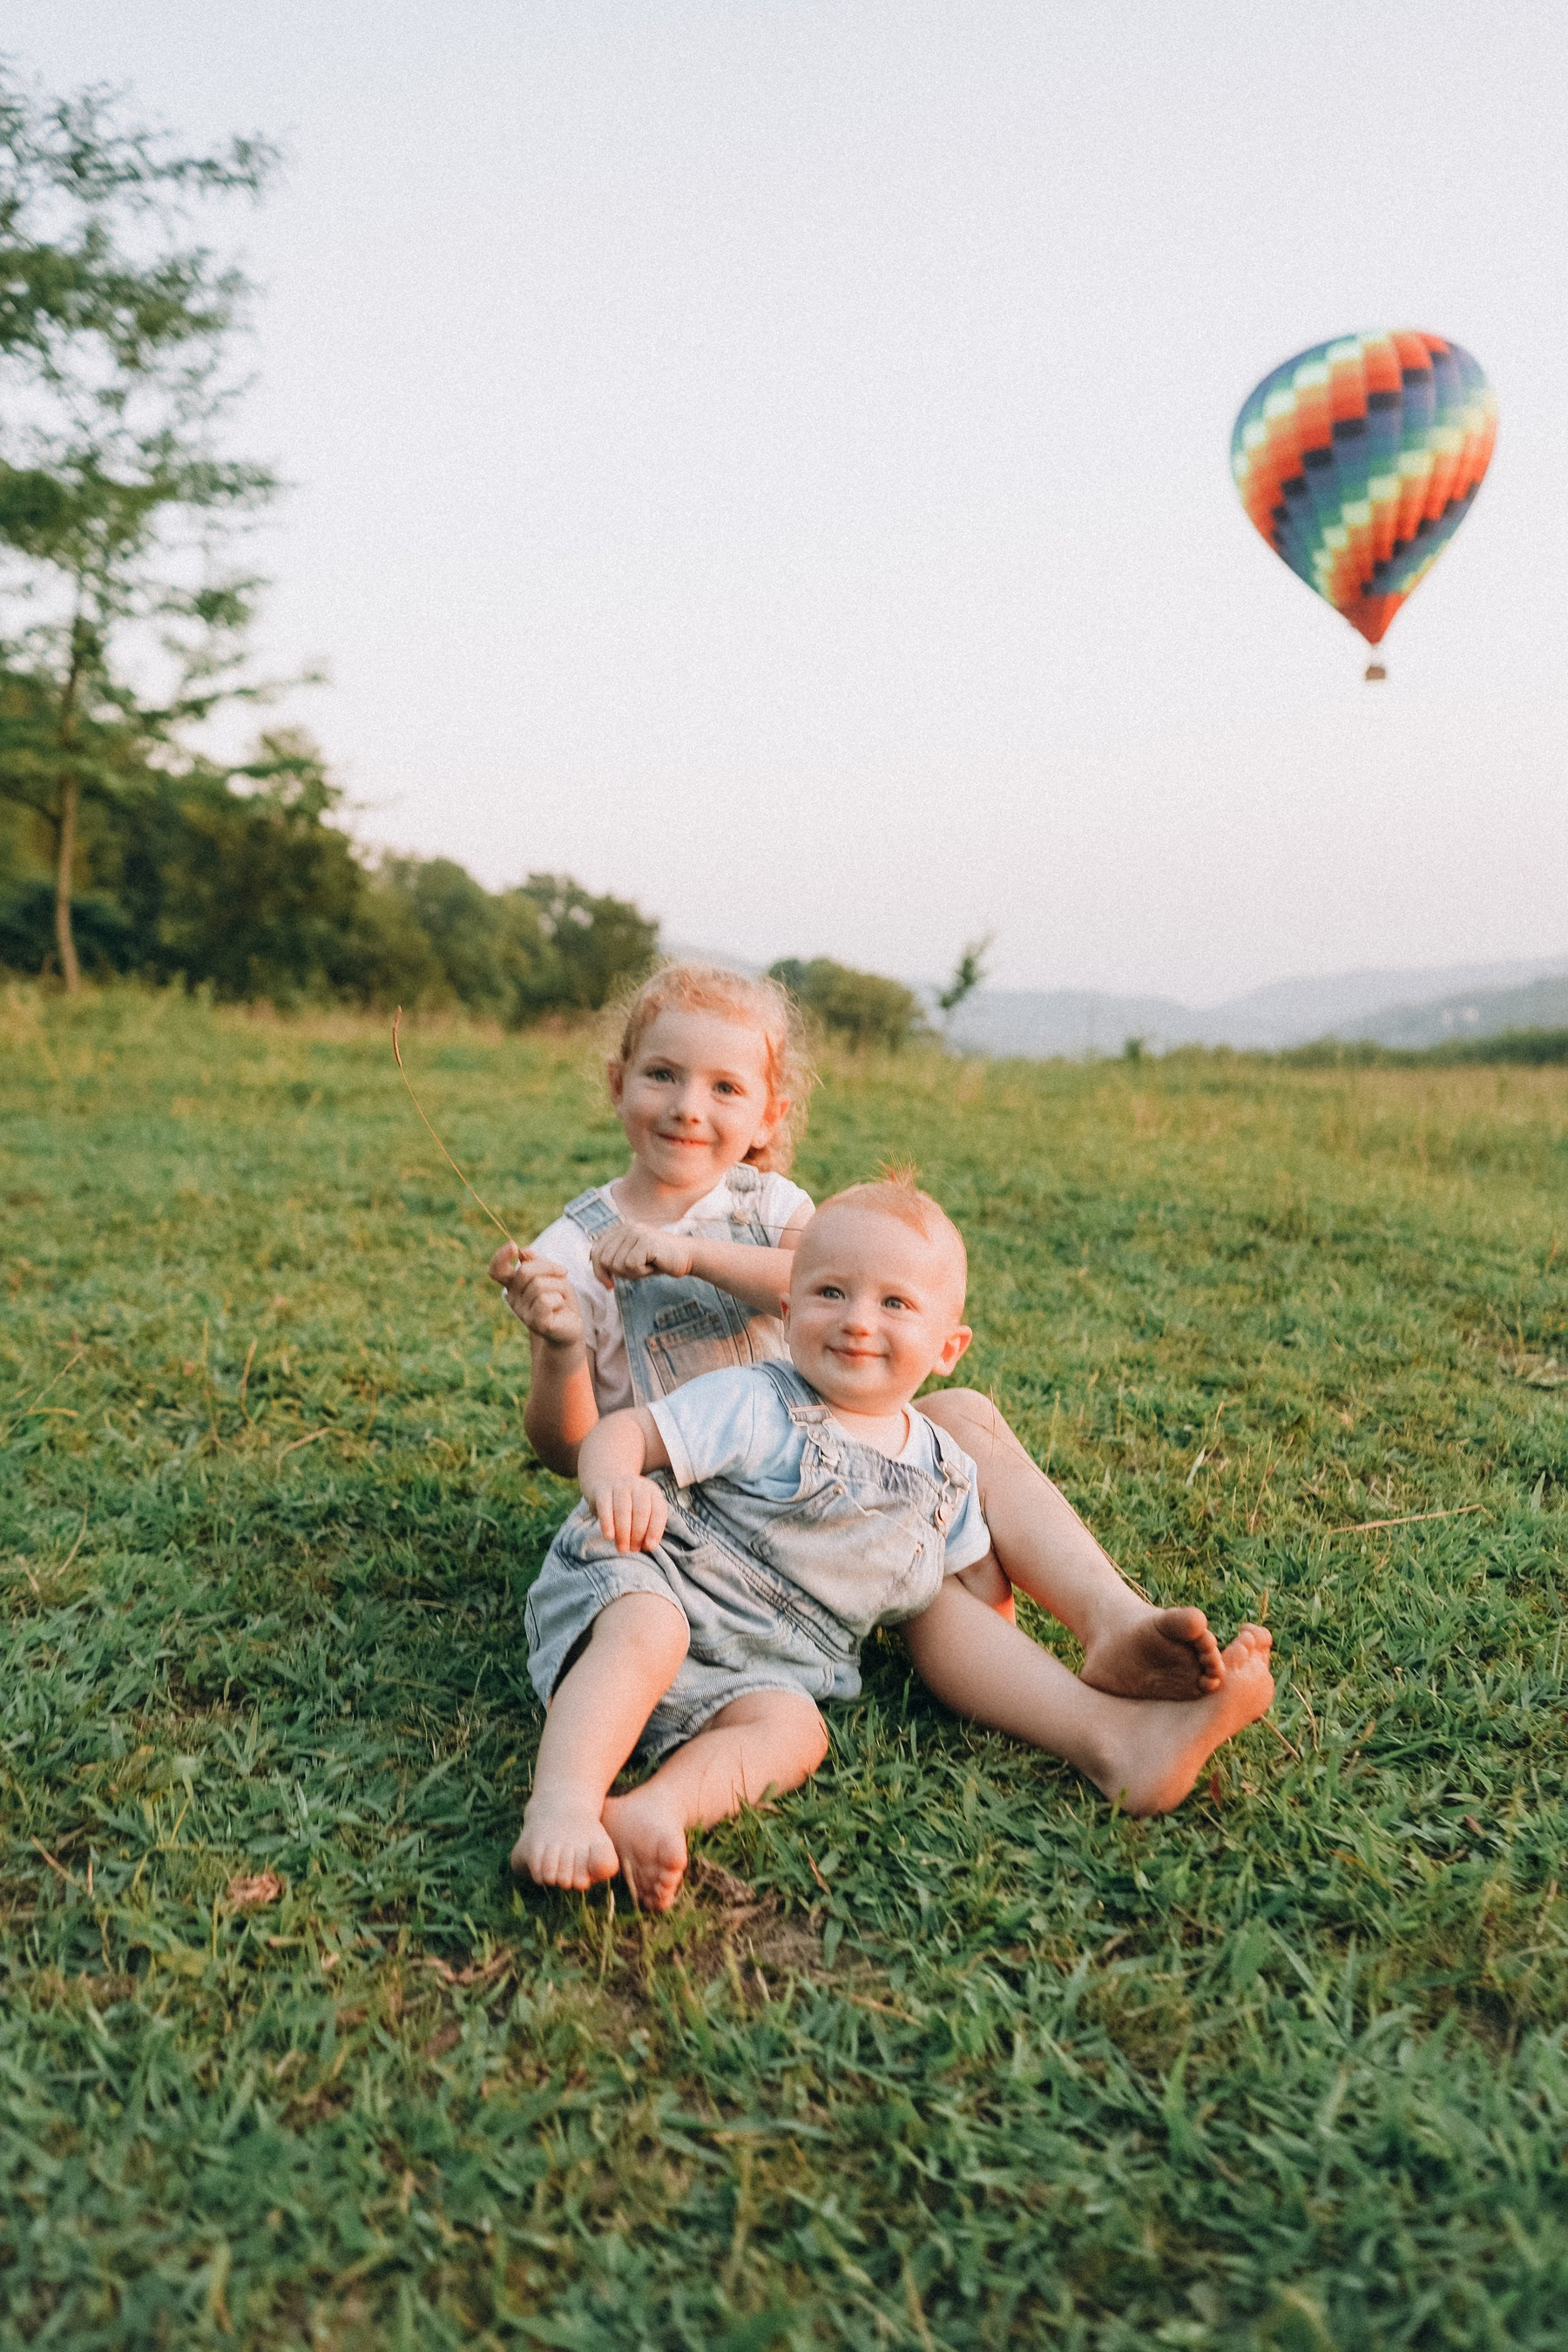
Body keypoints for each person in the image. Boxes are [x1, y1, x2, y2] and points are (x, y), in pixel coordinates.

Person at [490, 960, 1236, 1709]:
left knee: (962, 1416)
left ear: (769, 1116)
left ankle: (1112, 1619)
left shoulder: (776, 1208)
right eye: (662, 1075)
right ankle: (1082, 1718)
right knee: (926, 1581)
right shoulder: (572, 1252)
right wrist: (559, 1350)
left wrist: (690, 1254)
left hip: (832, 1467)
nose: (688, 1107)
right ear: (617, 1083)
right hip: (700, 1525)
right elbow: (570, 1451)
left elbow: (806, 1282)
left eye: (725, 1088)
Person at [515, 1178, 1274, 1909]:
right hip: (661, 1573)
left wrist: (1000, 1653)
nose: (856, 1320)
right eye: (830, 1293)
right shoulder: (757, 1398)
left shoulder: (944, 1471)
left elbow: (977, 1589)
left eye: (894, 1303)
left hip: (763, 1662)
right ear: (789, 1310)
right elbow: (626, 1432)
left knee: (795, 1733)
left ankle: (656, 1811)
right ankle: (564, 1807)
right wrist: (616, 1483)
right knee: (651, 1630)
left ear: (949, 1347)